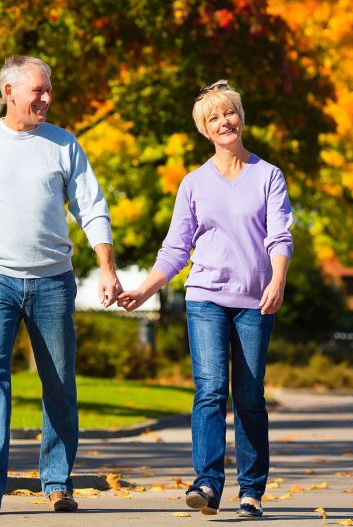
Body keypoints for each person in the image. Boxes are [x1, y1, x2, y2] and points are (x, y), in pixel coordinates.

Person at [0, 55, 122, 514]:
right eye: (38, 90)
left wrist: (107, 267)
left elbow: (92, 207)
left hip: (53, 282)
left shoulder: (63, 144)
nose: (46, 98)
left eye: (48, 89)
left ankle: (57, 482)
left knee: (58, 383)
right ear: (9, 92)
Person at [117, 79, 293, 518]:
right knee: (211, 390)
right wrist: (144, 288)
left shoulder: (267, 176)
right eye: (213, 118)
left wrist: (278, 280)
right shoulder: (193, 184)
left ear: (241, 117)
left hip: (255, 300)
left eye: (229, 112)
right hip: (206, 298)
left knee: (249, 395)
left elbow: (280, 236)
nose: (223, 122)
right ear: (204, 130)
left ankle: (251, 491)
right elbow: (176, 249)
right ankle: (208, 483)